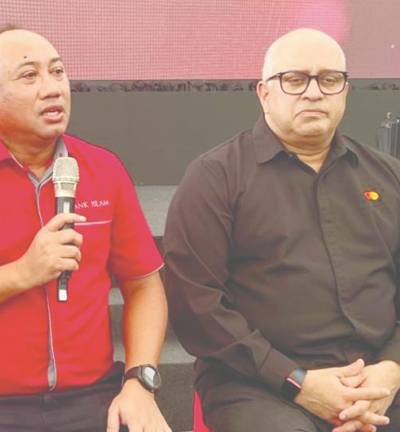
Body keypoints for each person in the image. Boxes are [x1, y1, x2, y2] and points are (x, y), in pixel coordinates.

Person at [0, 26, 171, 432]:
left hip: (92, 394)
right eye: (29, 76)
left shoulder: (103, 169)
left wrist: (139, 382)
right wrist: (22, 273)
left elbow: (144, 285)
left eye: (57, 72)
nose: (53, 88)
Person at [164, 28, 400, 432]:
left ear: (345, 91)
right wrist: (298, 382)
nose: (313, 93)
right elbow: (197, 306)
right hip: (257, 386)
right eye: (294, 79)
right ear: (264, 92)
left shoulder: (388, 176)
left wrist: (392, 369)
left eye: (329, 79)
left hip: (377, 376)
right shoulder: (215, 178)